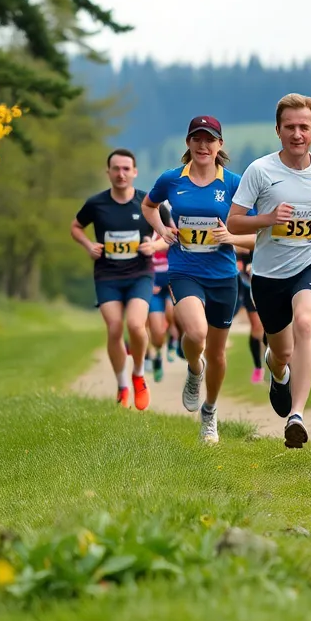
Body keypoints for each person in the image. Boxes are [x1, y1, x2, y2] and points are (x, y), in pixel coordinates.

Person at [228, 93, 311, 448]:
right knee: (281, 353)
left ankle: (297, 416)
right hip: (269, 275)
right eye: (289, 127)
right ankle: (278, 374)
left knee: (305, 322)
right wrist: (268, 219)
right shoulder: (260, 171)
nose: (297, 134)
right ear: (278, 130)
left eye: (304, 126)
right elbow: (234, 222)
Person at [143, 116, 255, 444]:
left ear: (220, 145)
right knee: (195, 333)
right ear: (188, 143)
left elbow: (259, 235)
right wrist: (162, 229)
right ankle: (194, 368)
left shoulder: (234, 184)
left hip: (223, 276)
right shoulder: (171, 179)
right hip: (184, 269)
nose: (203, 145)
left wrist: (232, 238)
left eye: (209, 139)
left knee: (217, 354)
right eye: (197, 139)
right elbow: (149, 205)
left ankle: (210, 411)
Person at [71, 149, 167, 410]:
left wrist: (155, 245)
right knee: (114, 328)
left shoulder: (147, 203)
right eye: (116, 169)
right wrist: (88, 245)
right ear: (108, 172)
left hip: (140, 274)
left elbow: (170, 233)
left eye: (126, 169)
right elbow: (75, 227)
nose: (121, 174)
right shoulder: (96, 204)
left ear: (135, 172)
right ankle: (122, 385)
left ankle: (138, 375)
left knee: (136, 325)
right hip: (108, 275)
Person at [236, 249, 267, 383]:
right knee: (257, 327)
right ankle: (258, 367)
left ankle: (276, 364)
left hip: (271, 278)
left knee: (272, 326)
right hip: (249, 283)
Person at [147, 226, 173, 383]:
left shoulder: (171, 230)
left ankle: (174, 341)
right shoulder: (143, 232)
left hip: (171, 284)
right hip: (153, 286)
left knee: (172, 314)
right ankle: (157, 355)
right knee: (156, 333)